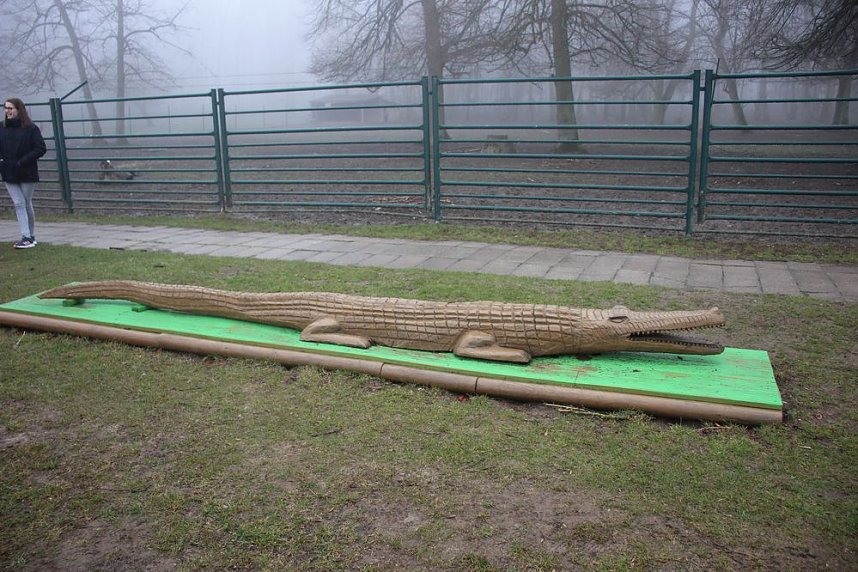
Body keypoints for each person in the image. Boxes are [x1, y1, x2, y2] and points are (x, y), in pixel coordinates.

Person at [1, 98, 47, 249]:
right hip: (8, 172)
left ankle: (30, 236)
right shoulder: (2, 128)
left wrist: (22, 161)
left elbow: (40, 148)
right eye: (5, 108)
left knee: (25, 203)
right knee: (18, 203)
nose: (7, 111)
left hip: (26, 172)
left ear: (19, 109)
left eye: (10, 108)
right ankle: (26, 236)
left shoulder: (31, 129)